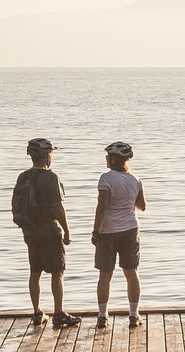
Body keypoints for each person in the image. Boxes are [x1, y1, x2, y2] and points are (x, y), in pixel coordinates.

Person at [11, 138, 77, 327]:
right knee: (57, 272)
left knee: (35, 271)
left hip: (30, 232)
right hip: (50, 231)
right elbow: (58, 208)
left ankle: (37, 312)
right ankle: (59, 313)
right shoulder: (51, 178)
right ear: (47, 156)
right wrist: (67, 231)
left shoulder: (23, 177)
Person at [93, 139, 147, 327]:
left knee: (105, 275)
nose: (106, 159)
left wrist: (95, 231)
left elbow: (102, 206)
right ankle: (133, 314)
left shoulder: (106, 179)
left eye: (108, 156)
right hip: (130, 230)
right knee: (131, 273)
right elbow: (142, 206)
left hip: (107, 231)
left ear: (114, 159)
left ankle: (102, 316)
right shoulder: (135, 179)